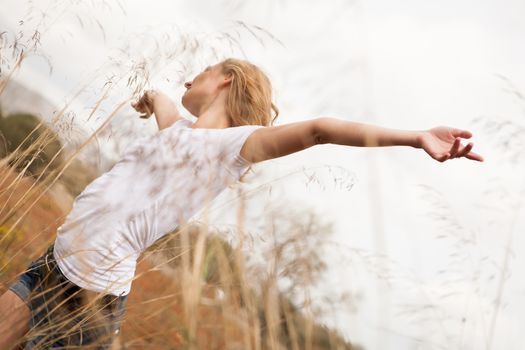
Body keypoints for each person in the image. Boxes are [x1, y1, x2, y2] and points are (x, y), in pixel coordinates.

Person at [0, 58, 484, 349]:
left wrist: (414, 137)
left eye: (204, 70)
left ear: (226, 80)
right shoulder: (182, 134)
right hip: (53, 265)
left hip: (89, 298)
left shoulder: (234, 148)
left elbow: (320, 130)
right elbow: (166, 104)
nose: (192, 75)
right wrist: (152, 98)